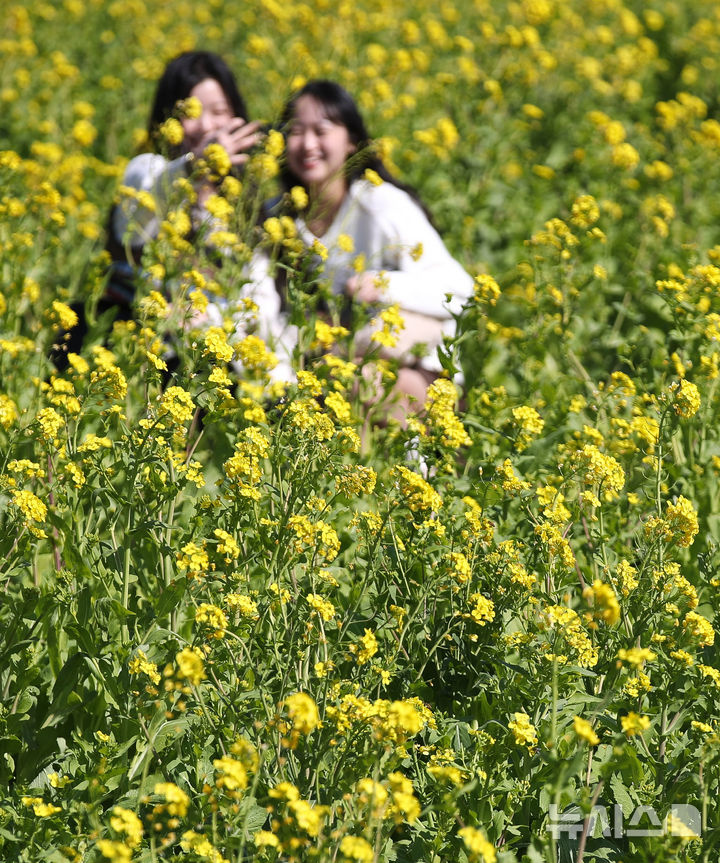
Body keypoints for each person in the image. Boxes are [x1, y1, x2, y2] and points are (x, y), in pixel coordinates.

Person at [56, 51, 293, 381]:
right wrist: (196, 165)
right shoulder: (149, 171)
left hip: (207, 356)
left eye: (219, 112)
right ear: (168, 119)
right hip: (130, 349)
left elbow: (260, 303)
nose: (208, 126)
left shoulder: (243, 208)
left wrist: (208, 317)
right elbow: (143, 205)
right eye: (192, 112)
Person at [275, 79, 473, 412]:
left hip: (414, 369)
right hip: (322, 368)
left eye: (322, 130)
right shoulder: (277, 222)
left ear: (351, 141)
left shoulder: (380, 204)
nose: (308, 144)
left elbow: (462, 290)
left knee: (357, 384)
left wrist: (382, 285)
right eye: (295, 131)